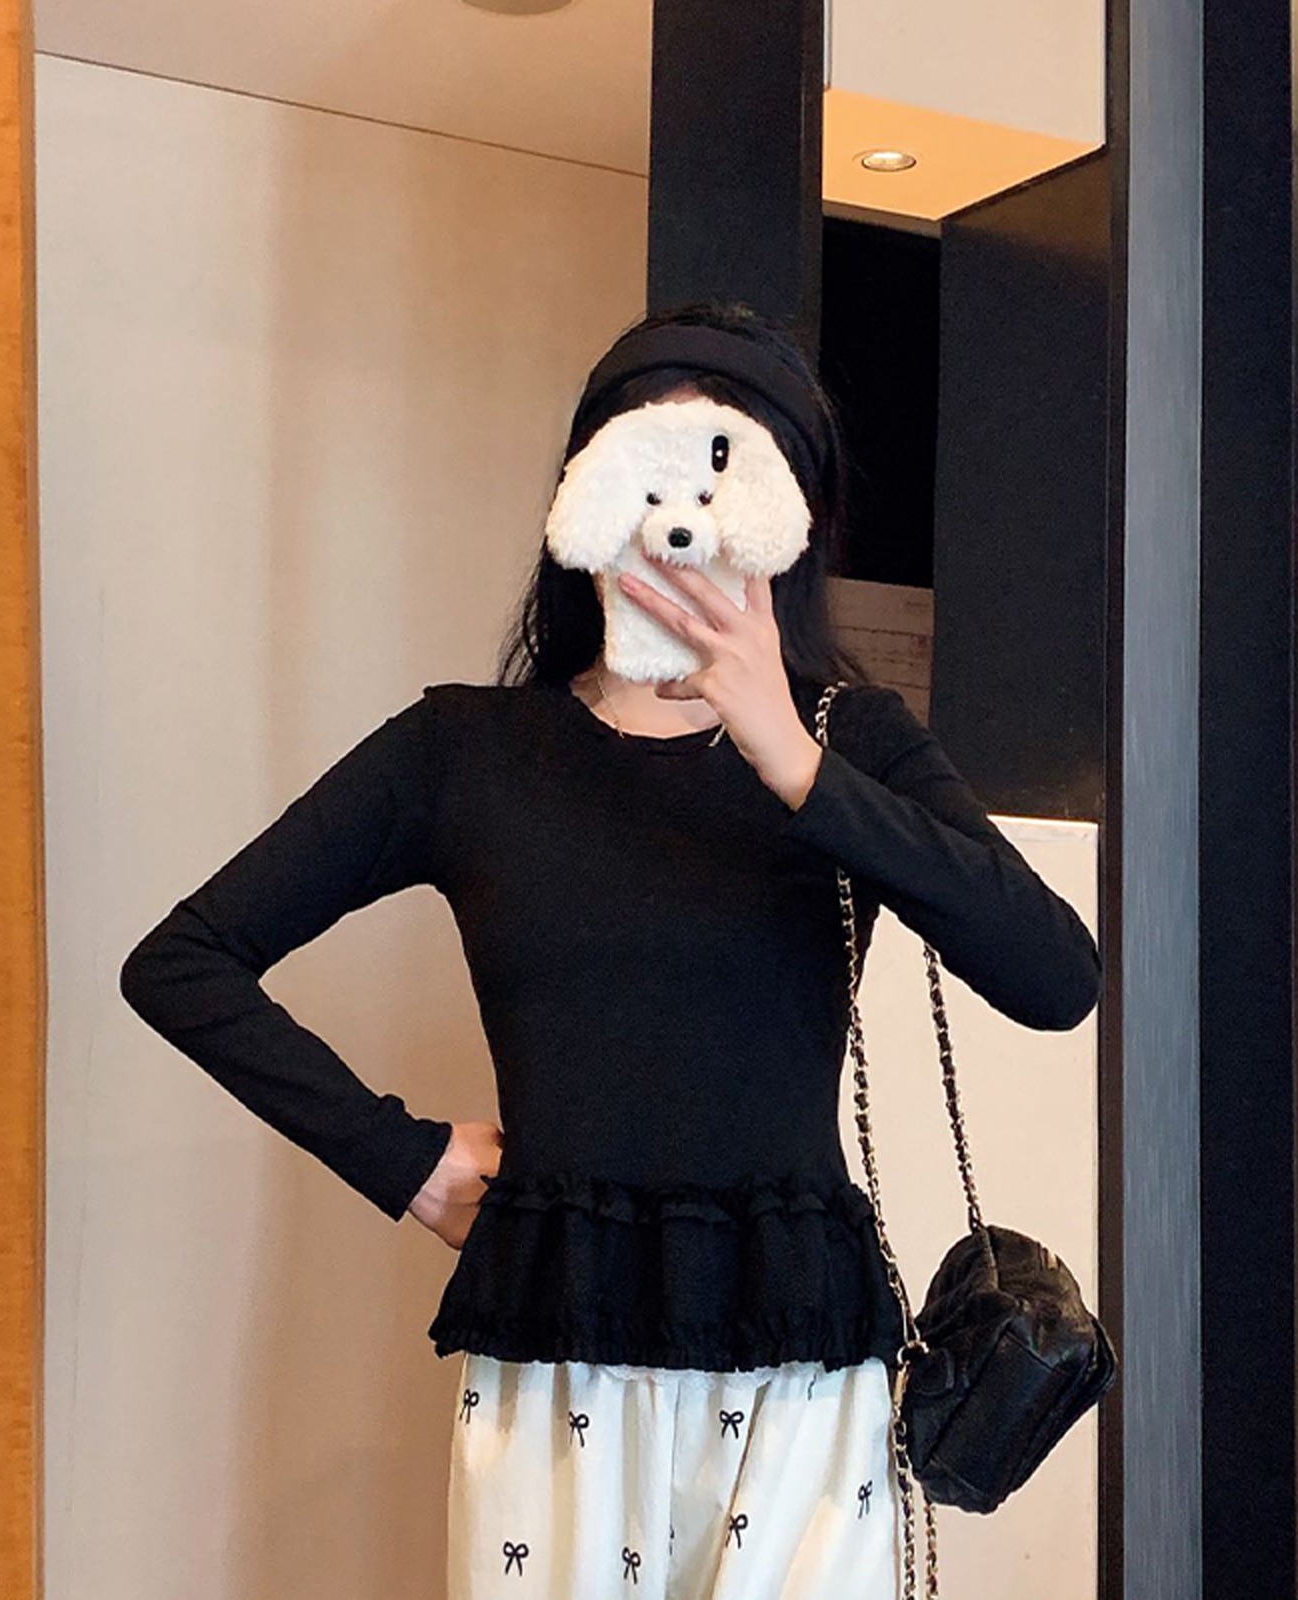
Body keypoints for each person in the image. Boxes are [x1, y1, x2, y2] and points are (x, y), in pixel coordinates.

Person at [119, 299, 1103, 1599]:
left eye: (726, 468)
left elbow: (1055, 977)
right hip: (555, 1368)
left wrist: (794, 760)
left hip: (802, 1378)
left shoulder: (848, 741)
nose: (678, 515)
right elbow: (183, 961)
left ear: (788, 516)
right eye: (644, 462)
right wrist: (404, 1161)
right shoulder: (467, 753)